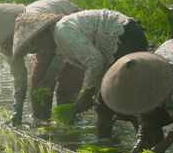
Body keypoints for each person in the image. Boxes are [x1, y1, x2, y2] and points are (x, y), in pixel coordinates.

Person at [37, 9, 149, 137]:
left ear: (44, 34)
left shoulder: (62, 32)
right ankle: (137, 138)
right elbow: (62, 64)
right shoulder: (60, 37)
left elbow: (95, 61)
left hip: (124, 36)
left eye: (38, 44)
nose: (41, 49)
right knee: (115, 101)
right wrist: (47, 80)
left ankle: (107, 145)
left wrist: (86, 93)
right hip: (129, 33)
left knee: (104, 105)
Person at [0, 0, 82, 126]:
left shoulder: (33, 22)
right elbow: (19, 78)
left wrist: (51, 75)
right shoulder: (5, 45)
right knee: (38, 84)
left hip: (68, 32)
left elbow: (63, 50)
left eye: (8, 40)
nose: (6, 46)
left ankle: (70, 123)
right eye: (3, 43)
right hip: (46, 46)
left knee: (67, 83)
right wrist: (17, 111)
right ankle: (42, 122)